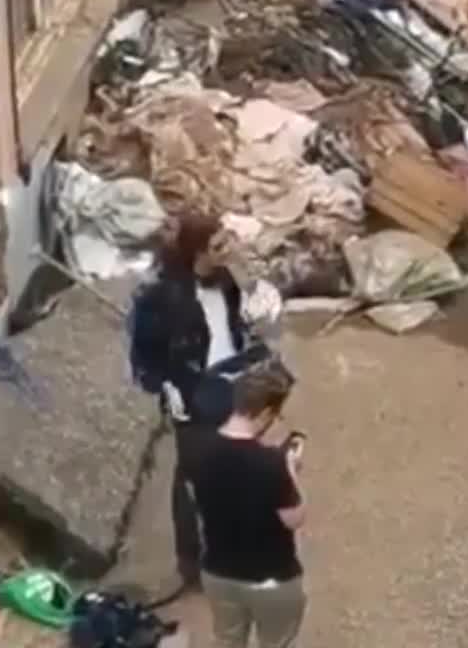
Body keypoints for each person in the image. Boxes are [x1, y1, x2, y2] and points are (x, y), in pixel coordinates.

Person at [127, 213, 218, 591]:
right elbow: (146, 357)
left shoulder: (214, 283)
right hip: (189, 395)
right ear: (200, 251)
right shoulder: (168, 298)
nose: (228, 249)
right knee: (195, 476)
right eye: (220, 244)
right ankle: (192, 562)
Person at [191, 358, 306, 648]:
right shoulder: (272, 464)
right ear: (265, 412)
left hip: (218, 573)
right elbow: (294, 518)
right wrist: (290, 470)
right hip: (270, 579)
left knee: (227, 641)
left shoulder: (198, 451)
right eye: (276, 414)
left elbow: (199, 500)